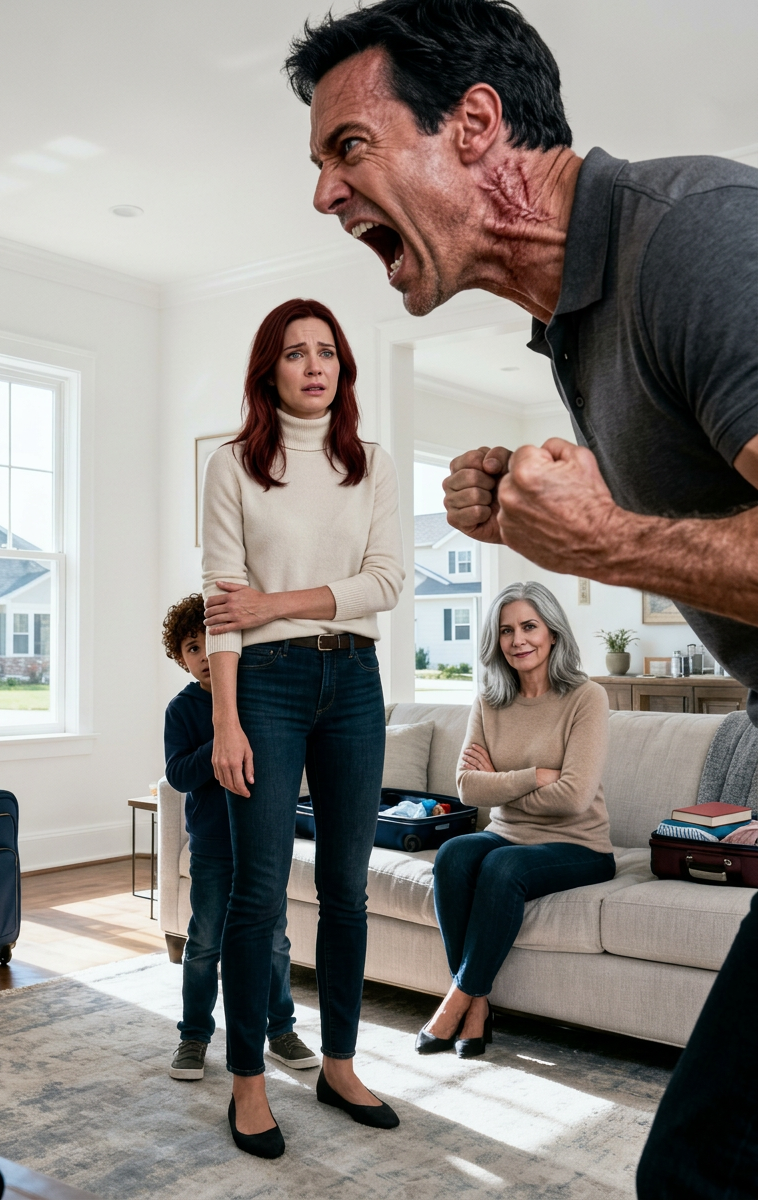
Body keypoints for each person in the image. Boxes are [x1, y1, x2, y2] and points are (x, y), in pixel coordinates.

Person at [284, 5, 757, 1194]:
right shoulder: (571, 329)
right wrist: (548, 508)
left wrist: (604, 539)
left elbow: (630, 541)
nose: (324, 196)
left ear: (477, 125)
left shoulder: (694, 236)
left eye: (346, 147)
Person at [201, 298, 404, 1158]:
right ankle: (248, 1080)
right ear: (269, 370)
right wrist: (225, 720)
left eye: (328, 353)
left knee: (347, 891)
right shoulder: (233, 466)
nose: (315, 366)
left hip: (355, 679)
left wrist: (276, 601)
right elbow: (221, 609)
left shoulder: (373, 466)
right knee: (257, 893)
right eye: (296, 353)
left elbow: (386, 583)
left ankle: (340, 1063)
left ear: (342, 370)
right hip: (268, 689)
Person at [419, 582, 614, 1058]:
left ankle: (458, 1000)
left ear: (551, 632)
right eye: (506, 630)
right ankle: (479, 1004)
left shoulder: (586, 697)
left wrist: (502, 782)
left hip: (580, 845)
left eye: (529, 626)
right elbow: (467, 787)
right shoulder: (490, 699)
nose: (518, 640)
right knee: (454, 855)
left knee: (502, 868)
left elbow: (573, 799)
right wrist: (536, 776)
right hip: (505, 833)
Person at [162, 594, 319, 1083]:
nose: (206, 656)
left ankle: (281, 1030)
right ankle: (193, 1036)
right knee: (204, 944)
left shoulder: (261, 699)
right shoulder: (183, 710)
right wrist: (221, 738)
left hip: (264, 846)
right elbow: (180, 775)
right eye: (192, 648)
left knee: (274, 943)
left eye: (213, 642)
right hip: (212, 848)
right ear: (180, 657)